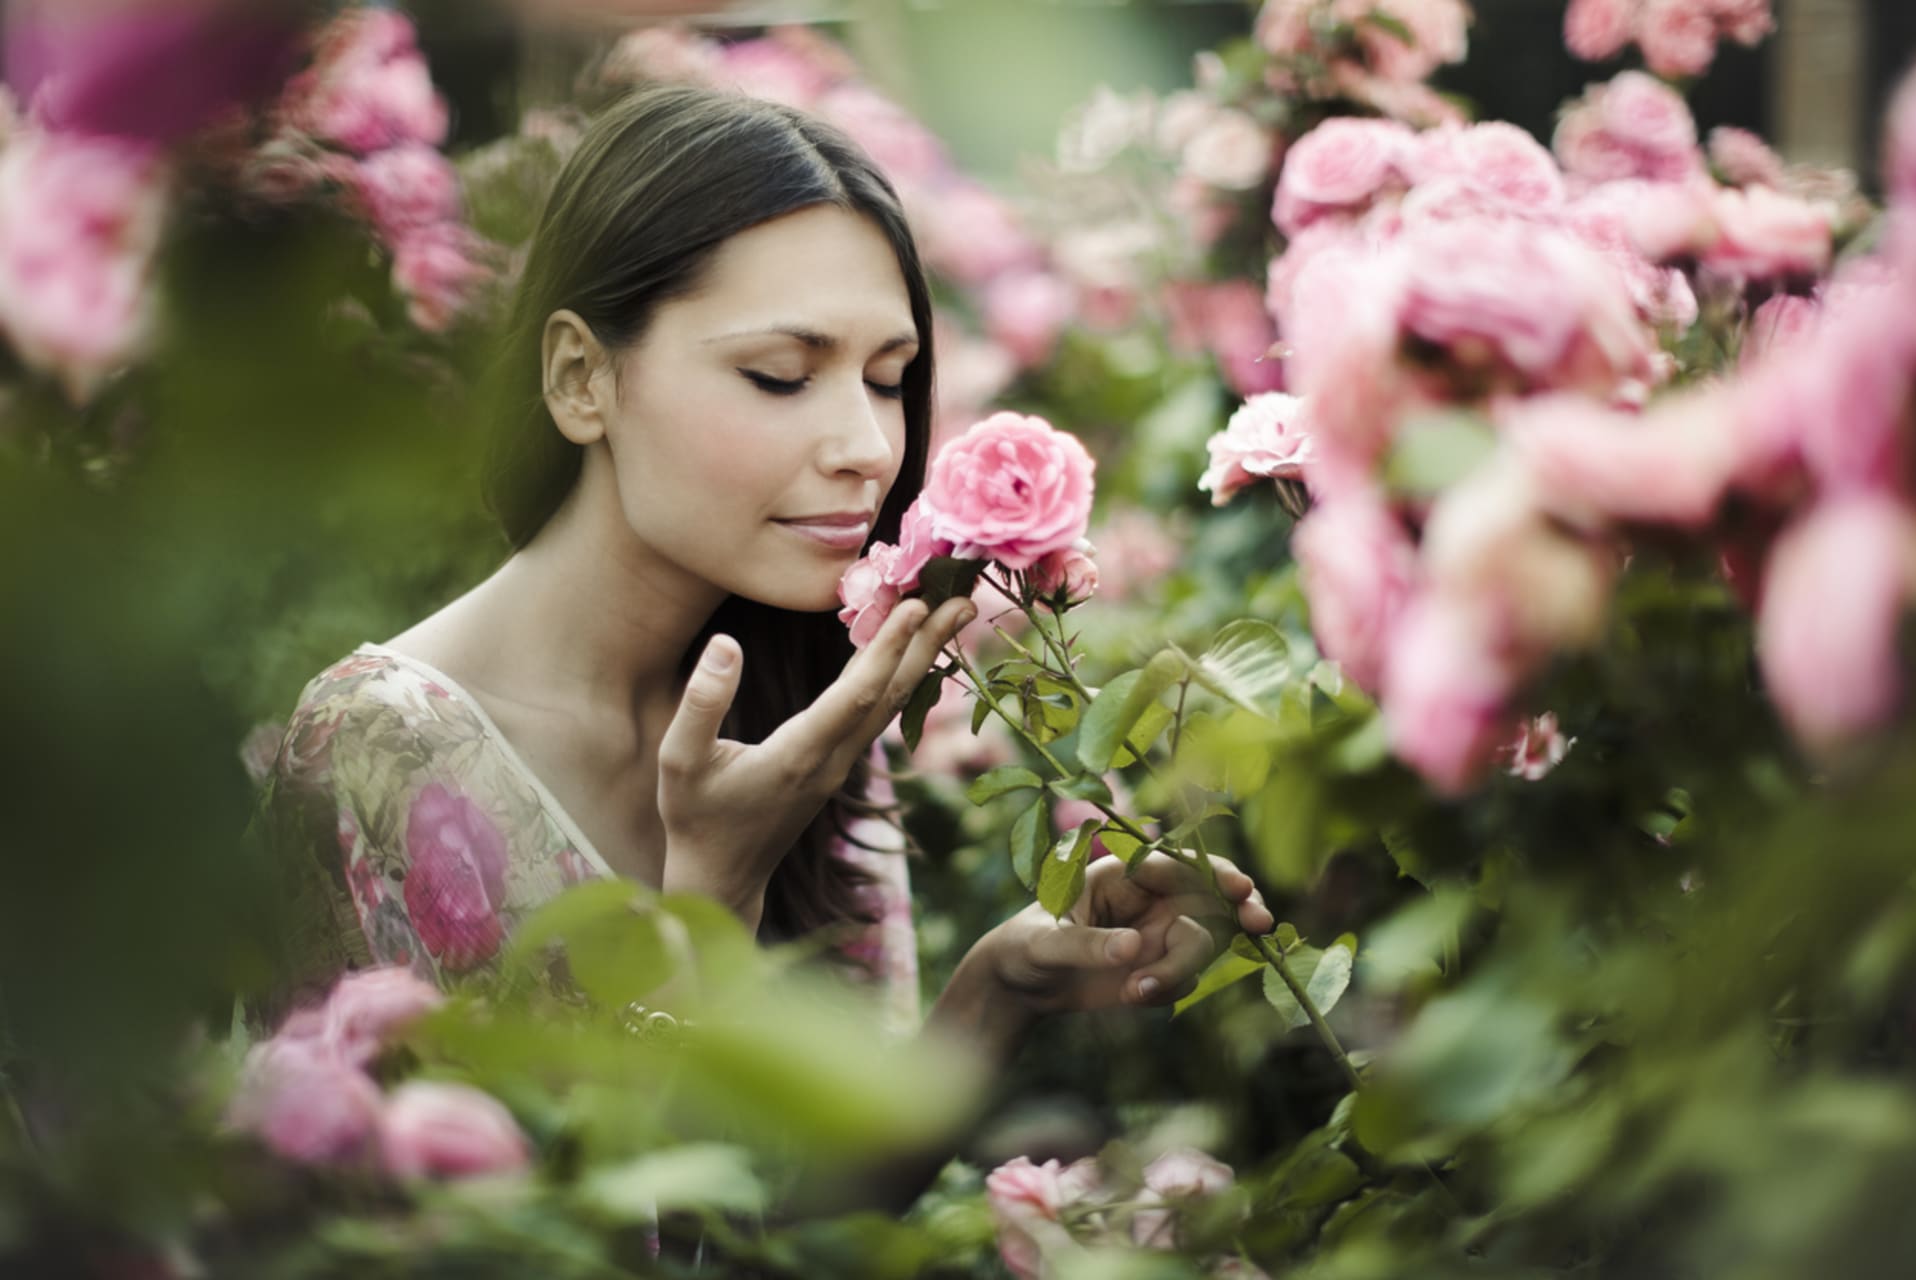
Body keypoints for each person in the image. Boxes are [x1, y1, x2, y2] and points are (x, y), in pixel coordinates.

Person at [261, 83, 1272, 1067]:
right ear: (581, 378)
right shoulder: (376, 750)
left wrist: (1001, 984)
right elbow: (517, 1235)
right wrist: (712, 900)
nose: (868, 446)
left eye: (888, 379)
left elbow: (810, 1221)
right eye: (781, 374)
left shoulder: (800, 712)